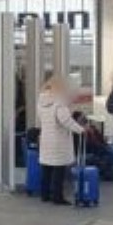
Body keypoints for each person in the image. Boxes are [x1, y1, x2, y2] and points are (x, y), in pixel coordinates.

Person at [37, 76, 86, 206]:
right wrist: (80, 130)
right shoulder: (59, 103)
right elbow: (66, 121)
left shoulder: (41, 101)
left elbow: (43, 119)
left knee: (46, 168)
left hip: (46, 139)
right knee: (58, 169)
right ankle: (57, 197)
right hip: (58, 140)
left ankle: (45, 195)